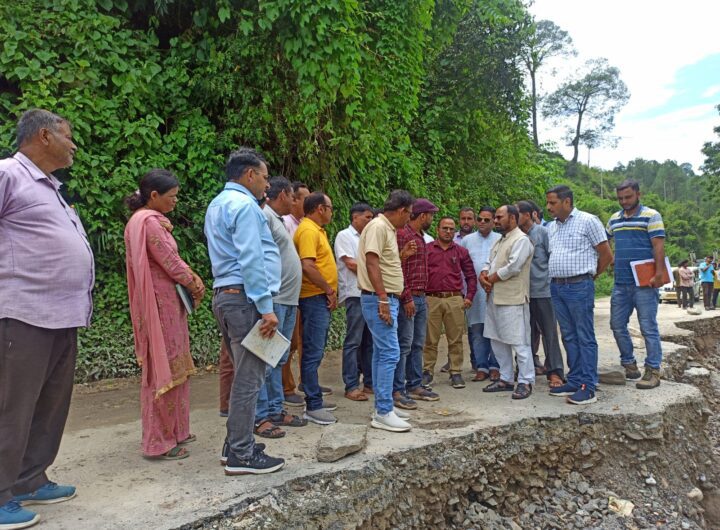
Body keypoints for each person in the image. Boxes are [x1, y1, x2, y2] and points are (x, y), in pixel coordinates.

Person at [0, 109, 94, 529]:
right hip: (23, 314)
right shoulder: (8, 175)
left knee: (50, 404)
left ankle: (29, 479)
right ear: (44, 136)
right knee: (11, 407)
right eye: (68, 136)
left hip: (61, 317)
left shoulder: (50, 187)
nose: (73, 145)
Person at [205, 147, 285, 475]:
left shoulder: (218, 203)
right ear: (249, 174)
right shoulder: (245, 207)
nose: (267, 185)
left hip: (227, 296)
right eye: (264, 177)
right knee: (250, 378)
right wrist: (266, 308)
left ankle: (234, 444)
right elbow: (251, 258)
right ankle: (241, 454)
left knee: (245, 375)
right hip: (245, 300)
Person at [125, 170, 205, 459]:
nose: (175, 201)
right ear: (154, 196)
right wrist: (195, 282)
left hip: (168, 304)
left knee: (176, 366)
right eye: (171, 197)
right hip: (160, 306)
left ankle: (176, 430)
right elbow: (171, 262)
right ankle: (159, 441)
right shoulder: (148, 223)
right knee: (164, 369)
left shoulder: (148, 221)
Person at [545, 185, 613, 405]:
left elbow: (606, 255)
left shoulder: (588, 221)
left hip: (579, 285)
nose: (549, 207)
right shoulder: (551, 228)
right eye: (547, 203)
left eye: (553, 203)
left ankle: (588, 385)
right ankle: (574, 379)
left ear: (567, 202)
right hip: (557, 287)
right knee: (568, 335)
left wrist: (590, 277)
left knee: (584, 336)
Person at [357, 190, 415, 432]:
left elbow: (382, 262)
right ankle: (383, 411)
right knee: (390, 352)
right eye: (409, 215)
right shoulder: (379, 227)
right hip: (378, 299)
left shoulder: (386, 229)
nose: (409, 220)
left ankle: (385, 404)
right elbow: (372, 262)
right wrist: (382, 299)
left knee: (383, 353)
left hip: (384, 298)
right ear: (401, 211)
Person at [253, 177, 306, 438]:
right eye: (294, 197)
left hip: (286, 300)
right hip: (274, 300)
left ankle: (274, 409)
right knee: (265, 359)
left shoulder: (277, 219)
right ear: (284, 194)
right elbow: (258, 259)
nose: (295, 202)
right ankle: (262, 415)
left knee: (277, 358)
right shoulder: (264, 216)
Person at [606, 179, 667, 389]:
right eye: (620, 198)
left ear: (638, 194)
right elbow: (605, 244)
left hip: (645, 282)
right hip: (620, 283)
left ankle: (653, 370)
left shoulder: (652, 216)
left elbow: (658, 246)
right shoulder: (614, 220)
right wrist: (609, 260)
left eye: (628, 197)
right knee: (616, 324)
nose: (624, 201)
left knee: (648, 327)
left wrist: (659, 274)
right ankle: (629, 364)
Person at [479, 205, 535, 399]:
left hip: (513, 299)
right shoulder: (500, 240)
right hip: (494, 297)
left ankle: (525, 381)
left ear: (512, 218)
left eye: (499, 217)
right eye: (495, 217)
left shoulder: (521, 240)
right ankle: (506, 378)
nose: (495, 221)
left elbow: (513, 268)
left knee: (519, 341)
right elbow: (489, 261)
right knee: (496, 339)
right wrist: (483, 274)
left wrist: (490, 279)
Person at [294, 192, 339, 425]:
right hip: (313, 297)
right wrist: (328, 290)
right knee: (312, 351)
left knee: (315, 350)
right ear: (320, 208)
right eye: (330, 208)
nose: (332, 212)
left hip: (318, 297)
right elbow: (308, 266)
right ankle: (313, 405)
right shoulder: (309, 231)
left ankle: (315, 398)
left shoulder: (315, 230)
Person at [394, 199, 441, 410]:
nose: (432, 219)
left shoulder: (421, 238)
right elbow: (397, 268)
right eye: (431, 215)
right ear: (423, 216)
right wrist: (406, 297)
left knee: (417, 344)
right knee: (404, 344)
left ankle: (414, 384)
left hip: (421, 297)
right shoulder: (403, 235)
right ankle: (398, 389)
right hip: (409, 297)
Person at [422, 217, 477, 389]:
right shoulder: (427, 250)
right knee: (430, 339)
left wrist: (469, 297)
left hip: (454, 298)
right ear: (437, 230)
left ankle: (456, 372)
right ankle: (427, 372)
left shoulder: (461, 251)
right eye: (444, 228)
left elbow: (471, 276)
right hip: (432, 298)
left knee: (456, 338)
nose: (448, 231)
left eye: (451, 229)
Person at [516, 200, 565, 388]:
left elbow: (553, 259)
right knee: (524, 335)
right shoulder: (517, 236)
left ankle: (555, 372)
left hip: (544, 291)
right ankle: (524, 371)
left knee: (549, 333)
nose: (514, 216)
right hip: (522, 294)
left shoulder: (543, 233)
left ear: (528, 215)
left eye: (517, 213)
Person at [335, 203, 375, 402]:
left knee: (369, 341)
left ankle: (369, 383)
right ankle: (351, 385)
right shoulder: (345, 236)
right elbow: (350, 264)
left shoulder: (369, 237)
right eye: (367, 217)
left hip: (369, 294)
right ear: (355, 217)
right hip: (354, 294)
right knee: (353, 341)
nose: (370, 221)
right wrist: (375, 272)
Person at [459, 206, 501, 382]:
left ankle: (496, 367)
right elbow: (461, 268)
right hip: (474, 293)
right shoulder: (467, 241)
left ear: (493, 221)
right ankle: (481, 366)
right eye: (480, 219)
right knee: (476, 330)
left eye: (487, 219)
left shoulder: (500, 239)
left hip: (496, 291)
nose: (482, 222)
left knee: (496, 330)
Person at [282, 181, 312, 407]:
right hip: (287, 294)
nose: (308, 202)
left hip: (301, 294)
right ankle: (285, 386)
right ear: (293, 200)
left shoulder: (304, 224)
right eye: (304, 198)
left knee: (302, 341)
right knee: (287, 342)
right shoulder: (284, 223)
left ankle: (303, 381)